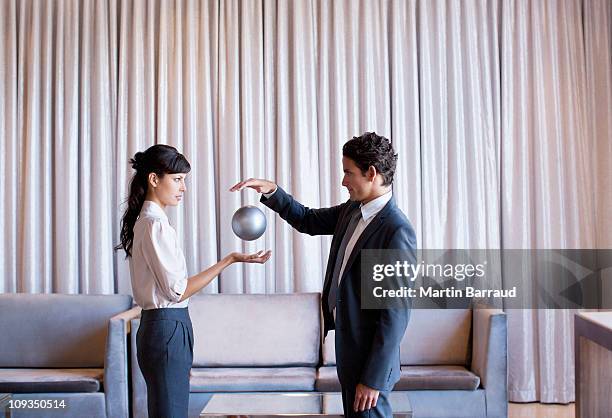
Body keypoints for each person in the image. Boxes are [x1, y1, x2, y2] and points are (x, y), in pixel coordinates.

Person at [230, 132, 416, 417]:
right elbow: (308, 220)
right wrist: (272, 191)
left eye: (348, 173)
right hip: (349, 350)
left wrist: (373, 378)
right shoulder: (353, 211)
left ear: (371, 173)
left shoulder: (396, 230)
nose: (343, 181)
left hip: (369, 363)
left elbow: (395, 313)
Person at [116, 144, 271, 418]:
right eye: (177, 179)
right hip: (167, 328)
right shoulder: (155, 225)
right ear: (154, 179)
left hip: (166, 327)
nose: (183, 188)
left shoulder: (150, 221)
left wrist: (231, 259)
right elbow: (177, 291)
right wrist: (229, 261)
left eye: (184, 180)